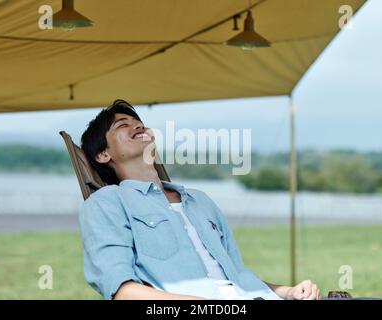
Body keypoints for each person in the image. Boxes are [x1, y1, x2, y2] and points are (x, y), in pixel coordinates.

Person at [79, 99, 321, 300]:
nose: (138, 126)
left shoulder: (199, 200)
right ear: (103, 154)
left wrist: (288, 291)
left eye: (140, 123)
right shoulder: (107, 203)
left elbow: (235, 276)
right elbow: (122, 291)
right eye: (123, 124)